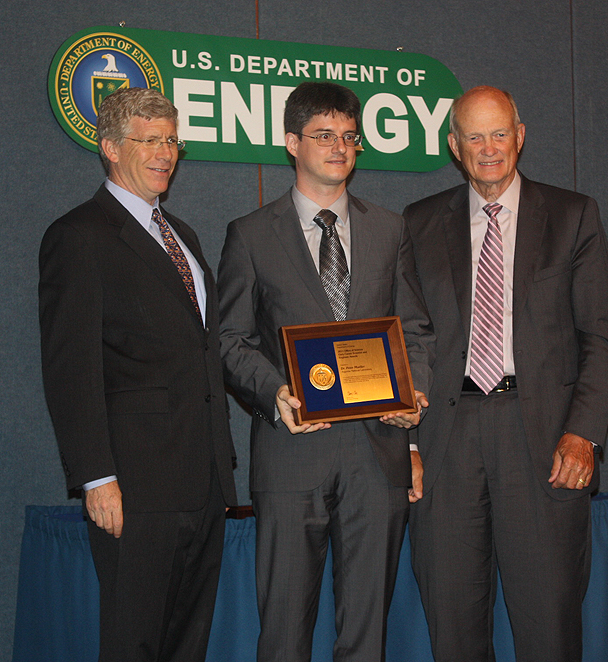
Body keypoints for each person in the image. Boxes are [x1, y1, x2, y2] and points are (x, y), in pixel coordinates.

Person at [216, 81, 434, 662]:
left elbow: (412, 329)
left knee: (367, 633)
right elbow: (231, 343)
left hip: (377, 452)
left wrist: (415, 394)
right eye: (323, 135)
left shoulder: (390, 229)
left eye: (348, 137)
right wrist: (277, 392)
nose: (339, 147)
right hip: (292, 452)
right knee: (284, 631)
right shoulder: (251, 234)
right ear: (292, 143)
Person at [403, 86, 608, 662]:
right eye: (474, 136)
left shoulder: (574, 217)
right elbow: (409, 341)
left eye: (499, 133)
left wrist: (585, 434)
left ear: (520, 137)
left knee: (549, 629)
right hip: (448, 445)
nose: (489, 147)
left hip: (545, 443)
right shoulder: (419, 222)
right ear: (454, 146)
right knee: (453, 631)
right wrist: (408, 440)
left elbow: (600, 340)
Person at [38, 87, 237, 662]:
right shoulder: (78, 236)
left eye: (171, 140)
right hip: (135, 486)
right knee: (135, 643)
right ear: (108, 148)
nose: (164, 153)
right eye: (147, 140)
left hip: (201, 482)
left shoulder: (184, 237)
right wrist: (96, 477)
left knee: (186, 644)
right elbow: (69, 367)